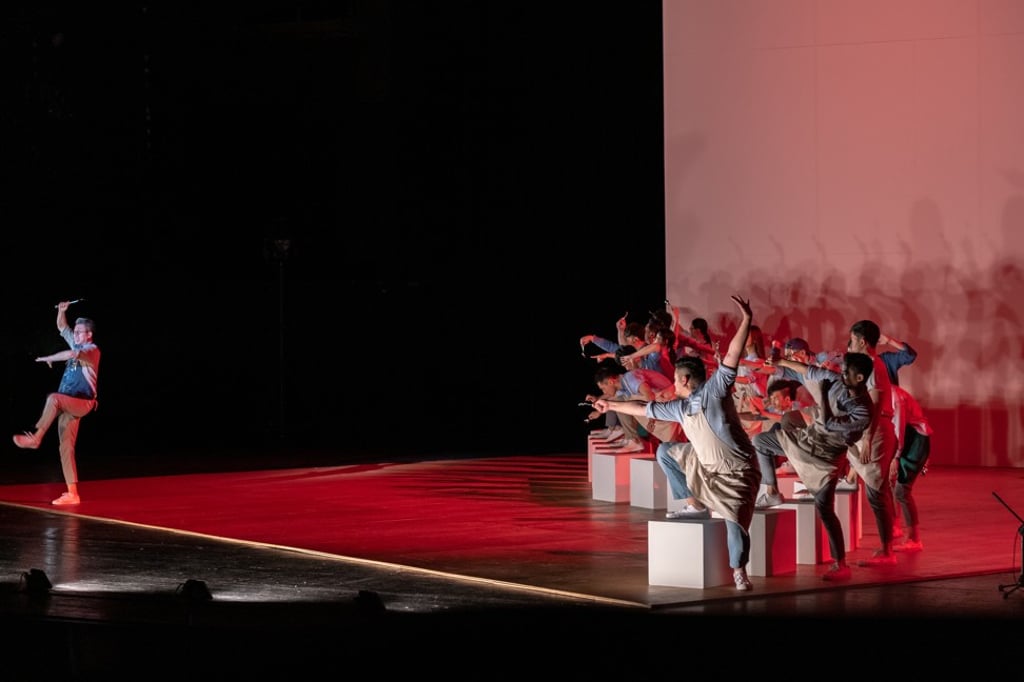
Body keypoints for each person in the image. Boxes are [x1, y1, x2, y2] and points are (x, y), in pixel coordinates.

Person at [593, 295, 761, 591]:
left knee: (735, 526)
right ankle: (693, 504)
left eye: (676, 379)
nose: (672, 383)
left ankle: (738, 571)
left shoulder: (714, 392)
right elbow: (642, 408)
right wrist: (611, 405)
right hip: (705, 464)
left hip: (737, 473)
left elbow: (733, 355)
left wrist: (746, 320)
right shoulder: (680, 408)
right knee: (666, 452)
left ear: (684, 380)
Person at [750, 351, 875, 581]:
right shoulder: (837, 380)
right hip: (808, 440)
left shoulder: (863, 410)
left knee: (825, 509)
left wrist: (824, 394)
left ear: (859, 378)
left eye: (847, 372)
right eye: (843, 369)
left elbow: (829, 423)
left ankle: (841, 564)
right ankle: (771, 491)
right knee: (760, 441)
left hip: (826, 458)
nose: (842, 373)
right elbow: (806, 371)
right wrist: (780, 363)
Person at [12, 301, 101, 506]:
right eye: (76, 332)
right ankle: (73, 493)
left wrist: (47, 358)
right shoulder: (76, 343)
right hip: (69, 402)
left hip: (82, 402)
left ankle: (36, 438)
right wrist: (62, 311)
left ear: (88, 334)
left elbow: (71, 354)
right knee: (66, 447)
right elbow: (62, 328)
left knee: (53, 398)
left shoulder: (92, 350)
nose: (76, 335)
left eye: (79, 332)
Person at [847, 319, 899, 566]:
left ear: (862, 341)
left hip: (876, 430)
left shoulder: (872, 365)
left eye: (853, 339)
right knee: (879, 492)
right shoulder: (869, 364)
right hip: (874, 429)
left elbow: (876, 403)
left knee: (877, 493)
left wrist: (868, 437)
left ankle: (887, 550)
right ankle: (887, 546)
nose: (851, 344)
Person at [890, 384, 932, 551]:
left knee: (902, 491)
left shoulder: (895, 397)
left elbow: (899, 428)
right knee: (893, 486)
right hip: (911, 441)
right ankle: (897, 526)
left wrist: (896, 456)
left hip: (914, 442)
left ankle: (914, 539)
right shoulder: (890, 394)